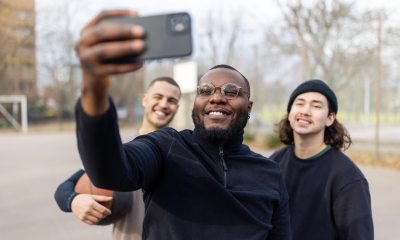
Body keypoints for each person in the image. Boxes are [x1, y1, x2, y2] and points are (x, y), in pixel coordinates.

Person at [73, 10, 291, 240]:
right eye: (205, 91)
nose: (216, 97)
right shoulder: (166, 146)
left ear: (249, 106)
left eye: (231, 91)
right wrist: (94, 86)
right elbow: (110, 172)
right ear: (195, 102)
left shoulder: (270, 174)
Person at [54, 76, 182, 240]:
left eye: (171, 100)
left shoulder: (182, 150)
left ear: (177, 107)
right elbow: (64, 187)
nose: (164, 104)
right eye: (158, 97)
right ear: (144, 99)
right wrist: (73, 201)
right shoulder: (119, 148)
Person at [270, 79, 374, 240]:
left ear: (330, 118)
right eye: (299, 103)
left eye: (316, 106)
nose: (305, 111)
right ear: (290, 113)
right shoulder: (275, 163)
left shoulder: (347, 177)